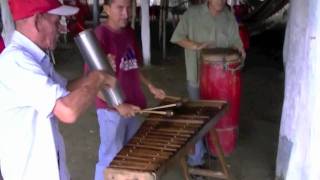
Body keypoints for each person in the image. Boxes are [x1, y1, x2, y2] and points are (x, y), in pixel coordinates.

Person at [0, 0, 140, 179]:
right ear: (37, 21)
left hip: (50, 168)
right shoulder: (16, 62)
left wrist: (98, 71)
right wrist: (98, 78)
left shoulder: (35, 58)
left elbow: (65, 87)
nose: (61, 29)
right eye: (56, 22)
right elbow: (68, 111)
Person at [85, 0, 166, 179]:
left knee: (130, 154)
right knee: (110, 158)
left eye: (129, 8)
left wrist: (150, 86)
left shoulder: (128, 32)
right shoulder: (100, 36)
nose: (126, 13)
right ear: (106, 8)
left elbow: (133, 65)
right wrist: (118, 106)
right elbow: (91, 84)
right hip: (111, 110)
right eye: (120, 8)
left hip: (133, 105)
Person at [170, 0, 244, 167]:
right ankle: (195, 161)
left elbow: (236, 43)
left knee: (215, 117)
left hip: (221, 82)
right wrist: (195, 46)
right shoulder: (192, 14)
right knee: (198, 119)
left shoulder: (229, 17)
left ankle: (212, 149)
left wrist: (240, 50)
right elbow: (177, 37)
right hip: (197, 77)